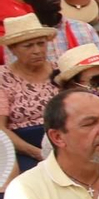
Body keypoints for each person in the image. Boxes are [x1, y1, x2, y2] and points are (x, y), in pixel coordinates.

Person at [0, 13, 61, 171]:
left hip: (65, 141)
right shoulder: (3, 77)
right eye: (28, 46)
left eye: (41, 43)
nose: (37, 50)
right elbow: (1, 128)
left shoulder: (60, 70)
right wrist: (37, 153)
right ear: (12, 49)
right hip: (22, 147)